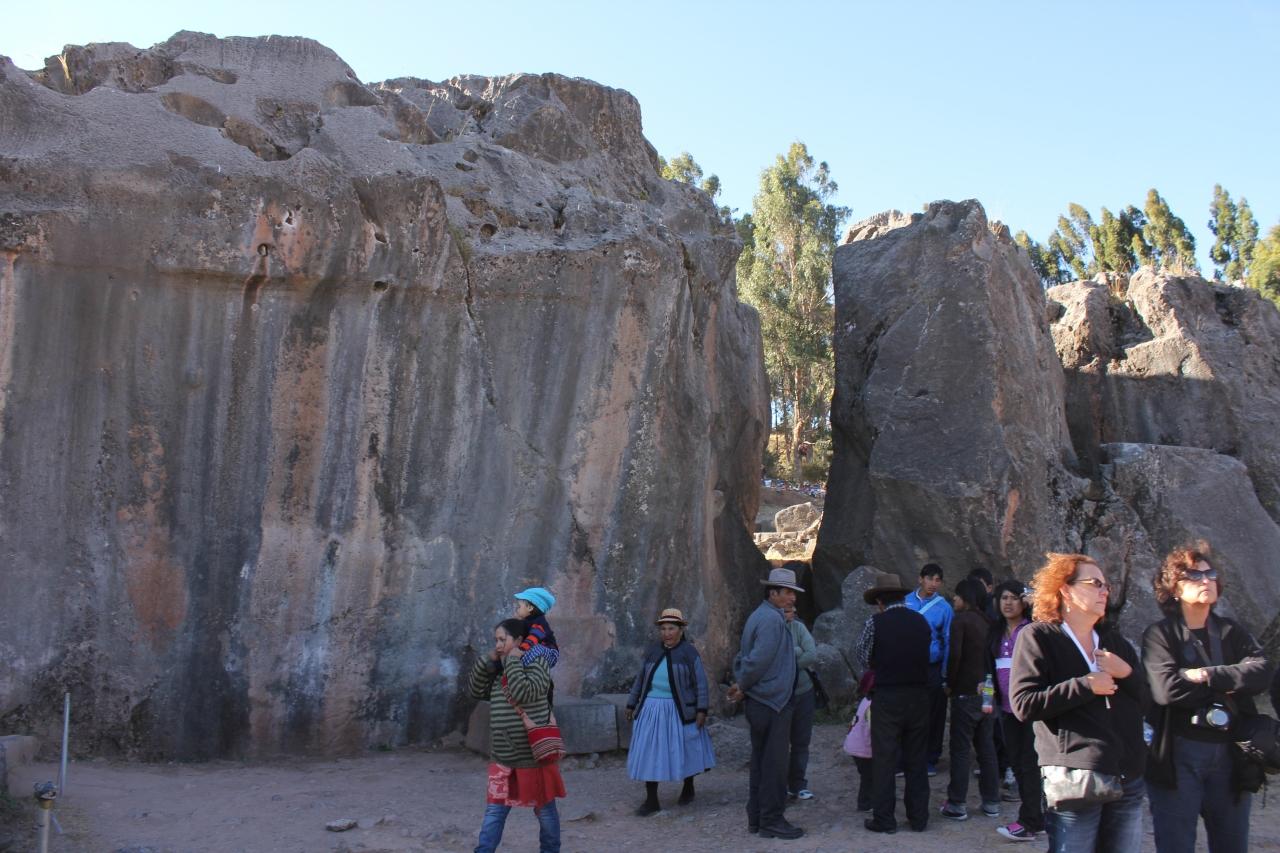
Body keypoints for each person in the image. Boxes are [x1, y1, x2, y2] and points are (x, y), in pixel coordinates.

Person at [1010, 553, 1148, 853]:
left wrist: (1126, 673)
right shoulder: (1038, 636)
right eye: (1094, 583)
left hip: (1127, 774)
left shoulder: (1114, 641)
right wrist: (1085, 685)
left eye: (1106, 585)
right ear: (1065, 589)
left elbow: (1149, 700)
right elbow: (1023, 703)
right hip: (1075, 776)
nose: (1104, 591)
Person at [1143, 544, 1274, 853]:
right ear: (1174, 587)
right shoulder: (1160, 635)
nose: (1206, 580)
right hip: (1179, 753)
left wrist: (1205, 675)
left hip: (1231, 752)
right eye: (1194, 575)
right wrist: (1231, 681)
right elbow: (1167, 690)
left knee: (1232, 845)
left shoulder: (1230, 631)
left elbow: (1263, 672)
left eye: (1210, 574)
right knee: (1176, 845)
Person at [468, 618, 565, 853]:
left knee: (544, 810)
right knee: (495, 810)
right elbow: (476, 690)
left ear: (520, 640)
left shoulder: (538, 663)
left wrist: (512, 660)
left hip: (533, 757)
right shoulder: (500, 668)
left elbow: (524, 693)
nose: (498, 645)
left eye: (503, 640)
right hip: (503, 756)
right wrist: (488, 660)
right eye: (496, 640)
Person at [726, 566, 805, 840]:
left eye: (793, 593)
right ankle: (772, 819)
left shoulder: (761, 615)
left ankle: (757, 818)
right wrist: (743, 684)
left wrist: (743, 685)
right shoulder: (771, 620)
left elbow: (746, 657)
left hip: (763, 700)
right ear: (773, 593)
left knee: (761, 761)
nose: (792, 598)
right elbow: (758, 660)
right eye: (788, 593)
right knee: (774, 764)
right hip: (772, 702)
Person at [856, 570, 932, 834]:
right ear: (902, 598)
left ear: (880, 602)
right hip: (919, 696)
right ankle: (919, 818)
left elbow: (863, 656)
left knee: (885, 760)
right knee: (917, 759)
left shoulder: (875, 623)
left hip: (888, 696)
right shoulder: (920, 621)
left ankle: (884, 819)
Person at [624, 607, 716, 816]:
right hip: (651, 709)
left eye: (671, 628)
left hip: (679, 710)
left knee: (684, 748)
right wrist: (631, 703)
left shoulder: (689, 653)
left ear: (681, 630)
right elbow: (641, 679)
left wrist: (701, 709)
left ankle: (688, 786)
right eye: (663, 628)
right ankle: (651, 800)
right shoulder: (652, 651)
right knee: (649, 752)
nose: (667, 633)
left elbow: (700, 683)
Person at [940, 577, 1000, 821]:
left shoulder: (961, 620)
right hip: (987, 692)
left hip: (965, 692)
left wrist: (950, 683)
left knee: (961, 749)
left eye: (957, 595)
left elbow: (955, 655)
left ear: (966, 597)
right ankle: (991, 801)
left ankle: (957, 803)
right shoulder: (989, 622)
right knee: (987, 748)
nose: (954, 599)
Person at [991, 579, 1044, 842]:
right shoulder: (995, 632)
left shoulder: (1032, 629)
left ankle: (1030, 821)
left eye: (1014, 598)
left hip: (1032, 709)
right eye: (1004, 598)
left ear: (1024, 602)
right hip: (1006, 708)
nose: (1008, 603)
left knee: (1029, 764)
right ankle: (1036, 817)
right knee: (1018, 763)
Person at [906, 563, 952, 774]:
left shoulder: (944, 608)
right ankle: (908, 756)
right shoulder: (906, 601)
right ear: (920, 579)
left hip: (933, 667)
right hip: (908, 666)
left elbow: (948, 640)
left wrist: (945, 673)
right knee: (909, 711)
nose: (933, 583)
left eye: (937, 580)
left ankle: (930, 758)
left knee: (935, 713)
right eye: (930, 578)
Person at [784, 603, 818, 801]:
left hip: (803, 691)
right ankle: (780, 783)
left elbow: (811, 654)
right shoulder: (767, 629)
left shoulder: (798, 628)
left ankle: (798, 784)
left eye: (790, 610)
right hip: (779, 694)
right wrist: (797, 651)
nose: (789, 613)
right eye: (785, 610)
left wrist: (788, 663)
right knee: (779, 742)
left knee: (801, 740)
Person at [513, 587, 560, 667]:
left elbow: (533, 637)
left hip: (550, 652)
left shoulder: (539, 622)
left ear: (530, 608)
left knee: (530, 651)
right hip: (536, 650)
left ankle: (516, 667)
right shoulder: (526, 621)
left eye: (519, 607)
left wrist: (520, 650)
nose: (517, 609)